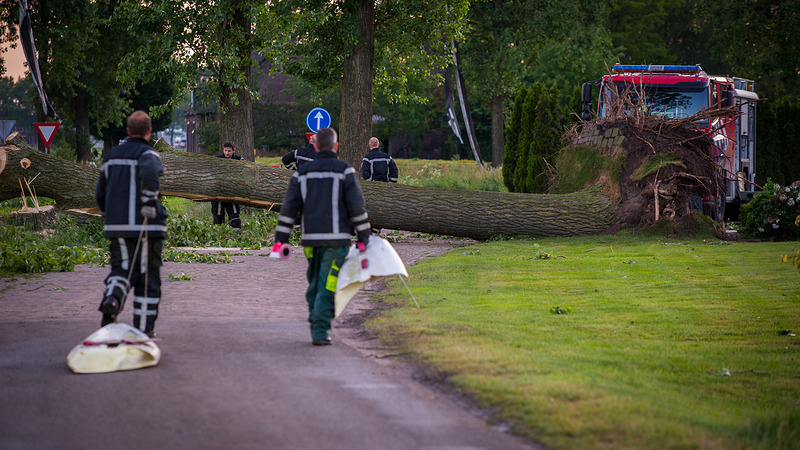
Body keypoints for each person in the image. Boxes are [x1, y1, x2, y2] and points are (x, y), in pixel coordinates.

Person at [273, 127, 371, 346]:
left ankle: (316, 318)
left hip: (310, 240)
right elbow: (356, 206)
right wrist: (365, 236)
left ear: (315, 146)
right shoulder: (345, 171)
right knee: (328, 283)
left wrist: (281, 238)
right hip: (337, 241)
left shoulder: (301, 173)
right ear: (336, 146)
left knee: (316, 280)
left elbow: (289, 207)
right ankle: (320, 329)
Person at [95, 110, 167, 338]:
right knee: (147, 277)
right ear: (149, 131)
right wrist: (147, 202)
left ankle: (112, 299)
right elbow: (150, 174)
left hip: (117, 227)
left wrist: (109, 214)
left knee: (122, 269)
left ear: (128, 131)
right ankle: (144, 329)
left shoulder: (111, 156)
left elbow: (100, 193)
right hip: (148, 226)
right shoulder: (150, 154)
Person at [211, 141, 246, 229]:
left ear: (233, 151)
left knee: (234, 214)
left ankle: (236, 235)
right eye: (225, 150)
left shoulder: (239, 160)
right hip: (219, 192)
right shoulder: (218, 159)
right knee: (218, 214)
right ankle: (219, 234)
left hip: (232, 192)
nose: (227, 153)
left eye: (229, 151)